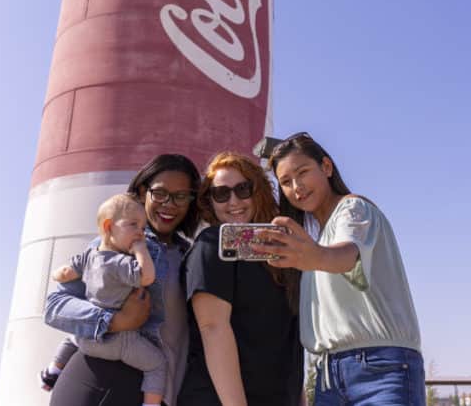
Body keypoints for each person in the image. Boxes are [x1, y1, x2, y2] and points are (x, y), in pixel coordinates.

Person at [257, 133, 426, 406]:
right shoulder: (317, 240)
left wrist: (315, 256)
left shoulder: (353, 209)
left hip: (380, 368)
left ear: (326, 167)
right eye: (286, 182)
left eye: (302, 172)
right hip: (328, 376)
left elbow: (346, 255)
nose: (296, 186)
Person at [44, 154, 202, 406]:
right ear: (142, 192)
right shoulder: (120, 244)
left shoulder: (191, 253)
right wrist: (114, 321)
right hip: (100, 379)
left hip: (161, 390)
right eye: (160, 193)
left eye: (181, 196)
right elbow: (54, 306)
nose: (169, 204)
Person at [176, 151, 302, 406]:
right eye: (221, 193)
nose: (233, 201)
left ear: (258, 190)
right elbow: (213, 329)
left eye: (242, 189)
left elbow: (290, 341)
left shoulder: (281, 254)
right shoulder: (212, 244)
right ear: (210, 201)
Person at [46, 193, 168, 405]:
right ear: (109, 227)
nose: (141, 232)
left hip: (88, 340)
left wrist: (56, 274)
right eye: (134, 225)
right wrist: (140, 250)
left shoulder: (89, 256)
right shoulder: (122, 262)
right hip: (119, 341)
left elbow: (66, 273)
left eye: (143, 226)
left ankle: (53, 371)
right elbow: (147, 276)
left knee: (72, 336)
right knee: (157, 365)